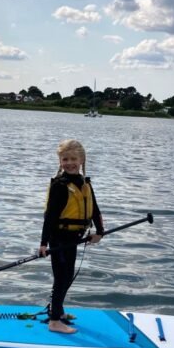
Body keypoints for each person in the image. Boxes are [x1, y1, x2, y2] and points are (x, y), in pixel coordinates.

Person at [39, 139, 104, 333]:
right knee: (61, 277)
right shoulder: (60, 185)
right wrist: (43, 243)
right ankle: (54, 321)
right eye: (64, 159)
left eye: (73, 158)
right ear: (60, 161)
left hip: (74, 238)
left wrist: (99, 232)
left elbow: (95, 209)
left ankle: (56, 309)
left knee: (67, 276)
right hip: (58, 237)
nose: (69, 163)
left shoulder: (85, 183)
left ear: (82, 159)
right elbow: (50, 217)